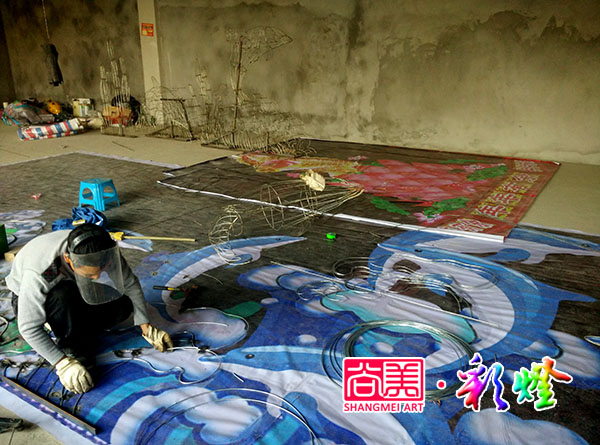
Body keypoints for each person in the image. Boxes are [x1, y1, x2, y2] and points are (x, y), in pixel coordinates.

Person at [5, 223, 172, 394]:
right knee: (63, 295)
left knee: (123, 305)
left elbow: (130, 284)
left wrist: (146, 327)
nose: (97, 277)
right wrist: (62, 363)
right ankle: (70, 346)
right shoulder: (43, 272)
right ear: (69, 260)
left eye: (100, 272)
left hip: (76, 287)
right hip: (34, 298)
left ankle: (73, 322)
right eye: (90, 275)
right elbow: (28, 327)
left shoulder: (104, 249)